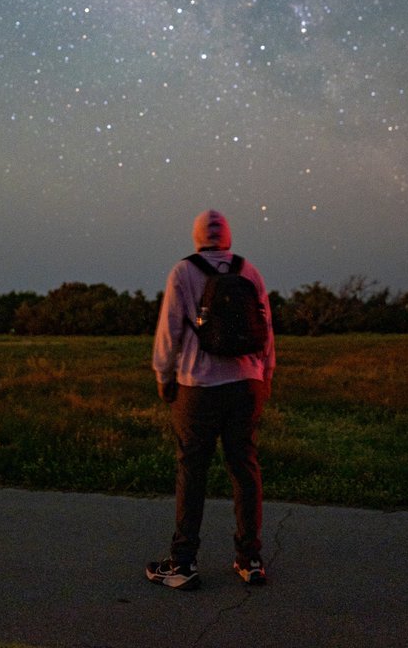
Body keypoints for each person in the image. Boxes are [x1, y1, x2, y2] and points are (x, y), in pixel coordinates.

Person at [146, 209, 275, 591]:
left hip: (197, 385)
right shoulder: (248, 271)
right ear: (228, 237)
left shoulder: (183, 272)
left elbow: (169, 330)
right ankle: (250, 559)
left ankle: (183, 563)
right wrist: (264, 376)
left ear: (196, 236)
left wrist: (163, 376)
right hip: (245, 383)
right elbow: (267, 329)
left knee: (193, 469)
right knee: (244, 465)